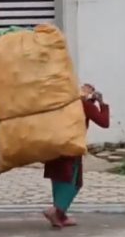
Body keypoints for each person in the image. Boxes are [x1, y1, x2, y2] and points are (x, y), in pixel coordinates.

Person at [42, 83, 110, 228]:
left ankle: (61, 216)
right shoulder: (83, 105)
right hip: (71, 148)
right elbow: (104, 122)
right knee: (73, 182)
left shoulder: (57, 104)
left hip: (52, 146)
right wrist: (102, 104)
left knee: (58, 180)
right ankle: (56, 211)